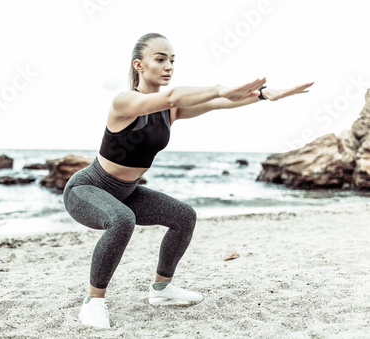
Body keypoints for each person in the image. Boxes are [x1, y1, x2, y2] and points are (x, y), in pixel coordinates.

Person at [63, 32, 313, 329]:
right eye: (160, 59)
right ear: (139, 65)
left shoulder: (171, 110)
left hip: (126, 191)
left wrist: (262, 95)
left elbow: (219, 102)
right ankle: (94, 302)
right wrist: (220, 86)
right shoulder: (125, 102)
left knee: (183, 216)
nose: (169, 65)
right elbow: (176, 94)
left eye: (172, 60)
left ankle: (162, 290)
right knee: (122, 220)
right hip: (87, 189)